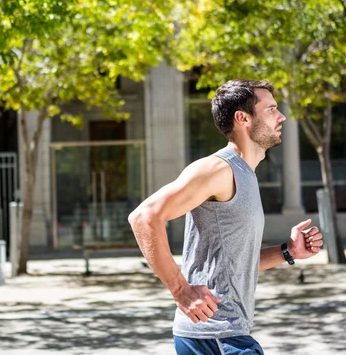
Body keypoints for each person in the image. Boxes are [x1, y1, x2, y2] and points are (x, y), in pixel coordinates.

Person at [128, 79, 324, 355]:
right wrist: (180, 290)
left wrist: (287, 251)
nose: (281, 116)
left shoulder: (246, 174)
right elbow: (144, 217)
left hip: (226, 334)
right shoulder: (218, 169)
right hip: (216, 336)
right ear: (243, 118)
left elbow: (234, 264)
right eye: (271, 109)